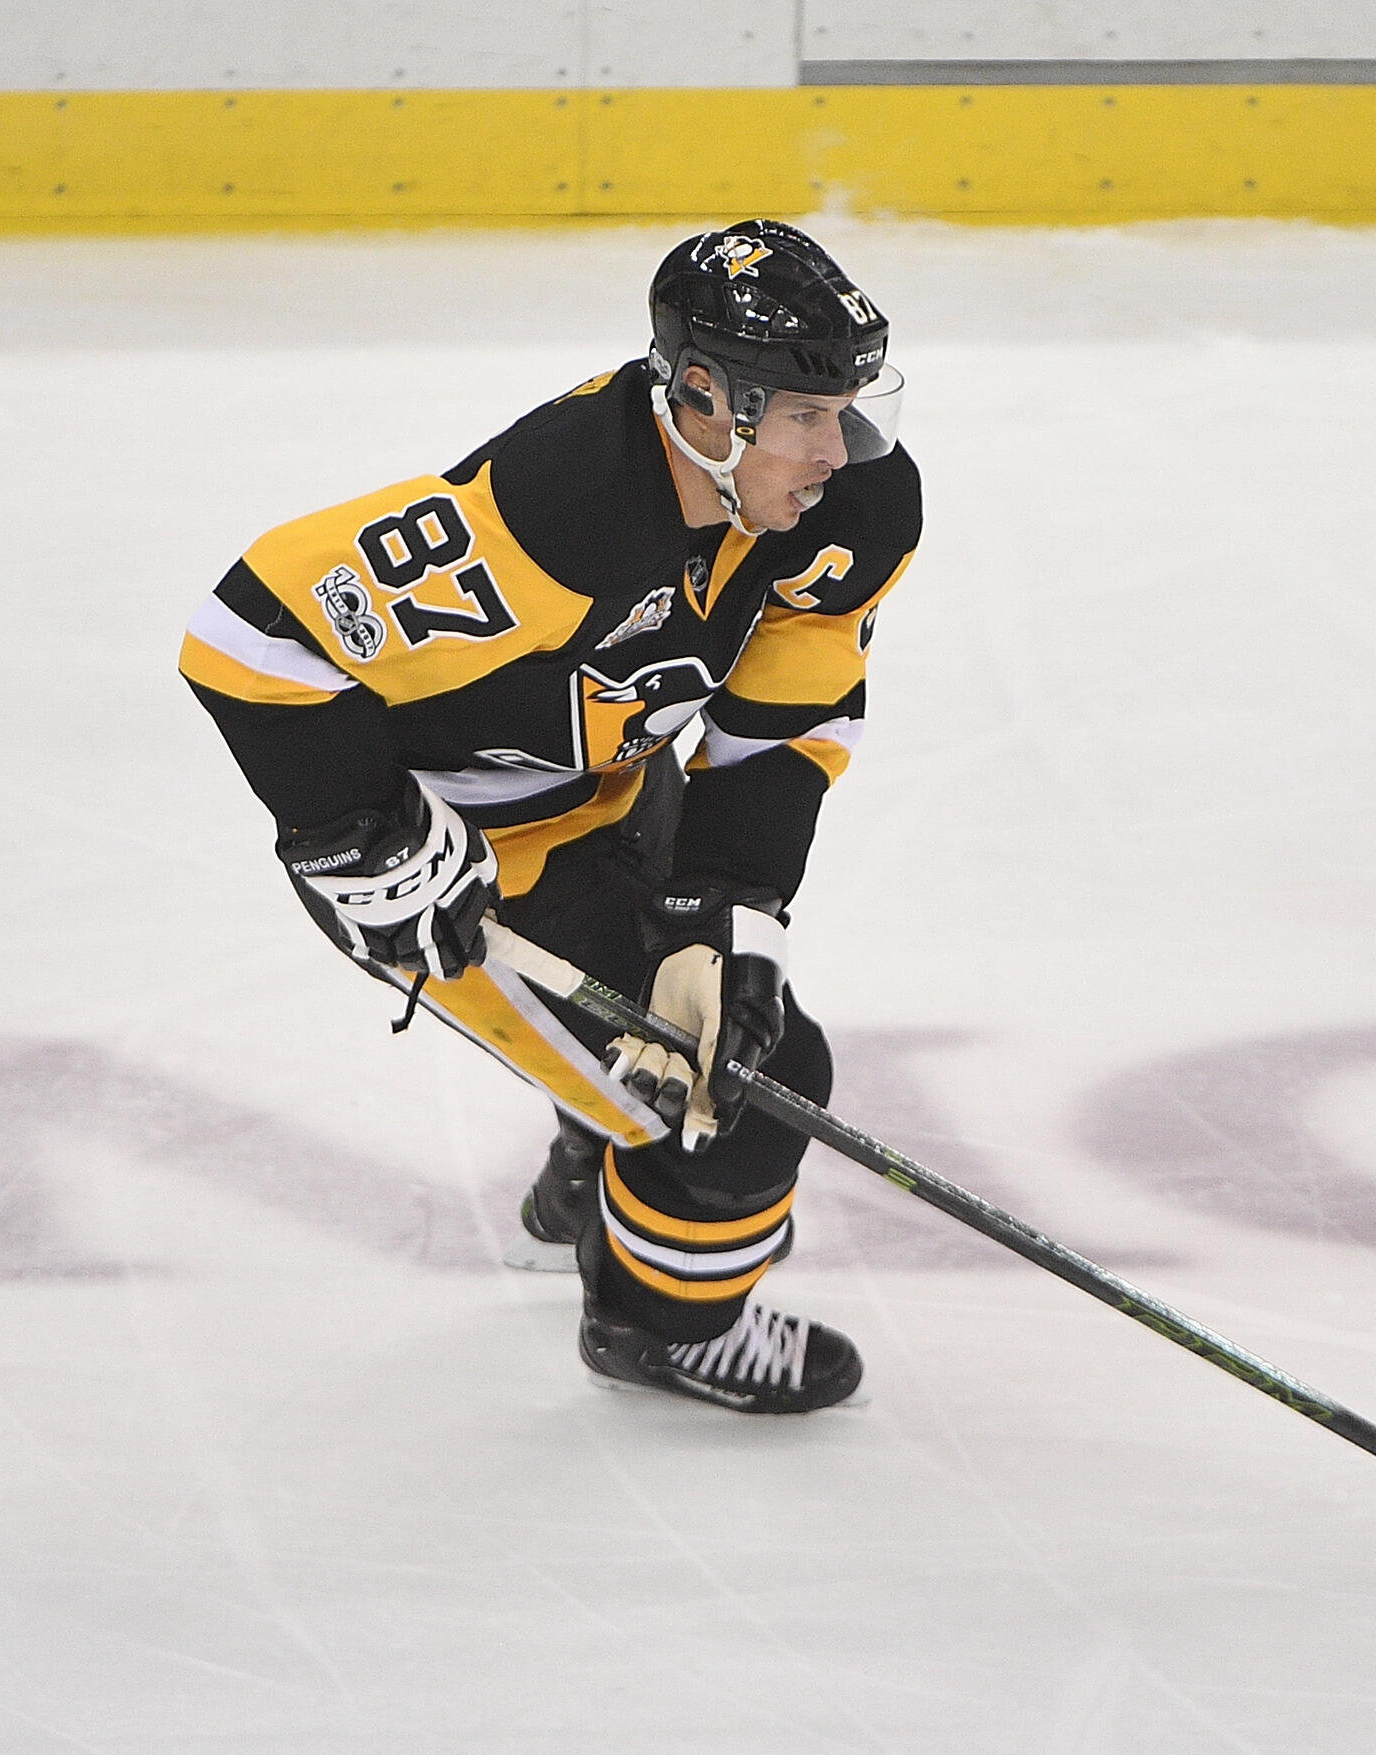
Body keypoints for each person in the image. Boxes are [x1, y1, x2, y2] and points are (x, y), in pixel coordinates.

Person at [182, 219, 919, 1415]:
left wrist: (718, 915)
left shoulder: (852, 504)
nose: (840, 449)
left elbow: (779, 725)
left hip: (622, 783)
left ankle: (594, 1169)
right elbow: (253, 635)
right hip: (474, 851)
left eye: (848, 405)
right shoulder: (557, 512)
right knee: (734, 1114)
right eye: (802, 414)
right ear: (701, 398)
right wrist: (359, 836)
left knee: (718, 1008)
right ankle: (661, 1324)